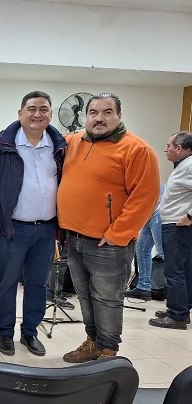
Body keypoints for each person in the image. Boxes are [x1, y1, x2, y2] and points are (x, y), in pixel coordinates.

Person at [58, 93, 160, 362]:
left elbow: (145, 198)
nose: (99, 118)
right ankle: (93, 342)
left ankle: (108, 351)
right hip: (74, 237)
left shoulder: (136, 149)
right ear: (86, 116)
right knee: (84, 296)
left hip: (108, 243)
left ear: (119, 115)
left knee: (107, 299)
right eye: (93, 112)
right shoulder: (73, 142)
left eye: (107, 112)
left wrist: (118, 235)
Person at [0, 91, 67, 357]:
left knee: (38, 284)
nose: (37, 114)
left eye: (44, 109)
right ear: (20, 113)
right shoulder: (3, 145)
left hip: (45, 229)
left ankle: (30, 333)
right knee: (7, 283)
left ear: (50, 114)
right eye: (32, 108)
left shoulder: (59, 147)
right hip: (12, 228)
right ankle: (5, 333)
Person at [149, 131, 192, 330]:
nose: (165, 149)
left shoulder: (189, 165)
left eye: (169, 146)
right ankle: (182, 309)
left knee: (174, 271)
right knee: (184, 270)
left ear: (179, 148)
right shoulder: (183, 165)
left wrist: (189, 216)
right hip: (177, 225)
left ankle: (177, 316)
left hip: (178, 226)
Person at [125, 185, 165, 301]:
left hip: (158, 211)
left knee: (163, 251)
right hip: (148, 214)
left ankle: (180, 292)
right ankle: (143, 287)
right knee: (141, 249)